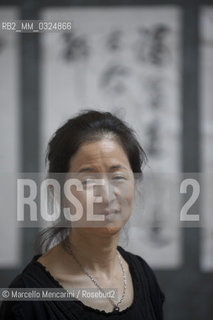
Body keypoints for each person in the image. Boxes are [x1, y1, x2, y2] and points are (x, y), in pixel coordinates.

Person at [0, 110, 165, 319]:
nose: (106, 196)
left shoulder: (142, 275)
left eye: (118, 177)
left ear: (136, 183)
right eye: (87, 181)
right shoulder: (28, 299)